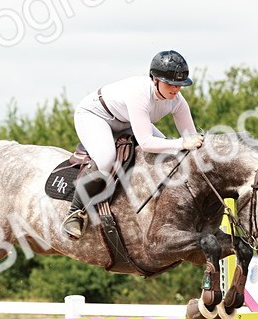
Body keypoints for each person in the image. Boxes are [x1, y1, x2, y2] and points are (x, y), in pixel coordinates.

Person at [62, 50, 205, 238]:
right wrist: (182, 142)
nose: (175, 89)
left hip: (126, 120)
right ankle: (75, 213)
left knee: (168, 152)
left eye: (179, 85)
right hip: (96, 116)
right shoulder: (140, 94)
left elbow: (191, 138)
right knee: (106, 159)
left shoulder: (177, 101)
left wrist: (195, 143)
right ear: (155, 79)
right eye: (170, 83)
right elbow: (146, 142)